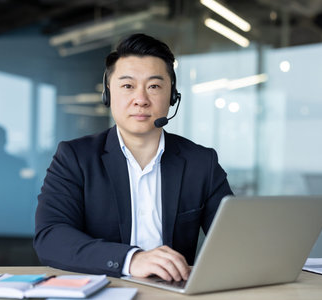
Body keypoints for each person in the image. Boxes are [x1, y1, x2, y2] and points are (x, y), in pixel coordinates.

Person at [34, 33, 233, 281]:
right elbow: (51, 236)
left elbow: (234, 241)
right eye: (128, 86)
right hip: (102, 290)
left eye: (154, 86)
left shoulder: (201, 162)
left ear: (172, 96)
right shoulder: (75, 157)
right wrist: (131, 260)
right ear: (108, 93)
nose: (141, 100)